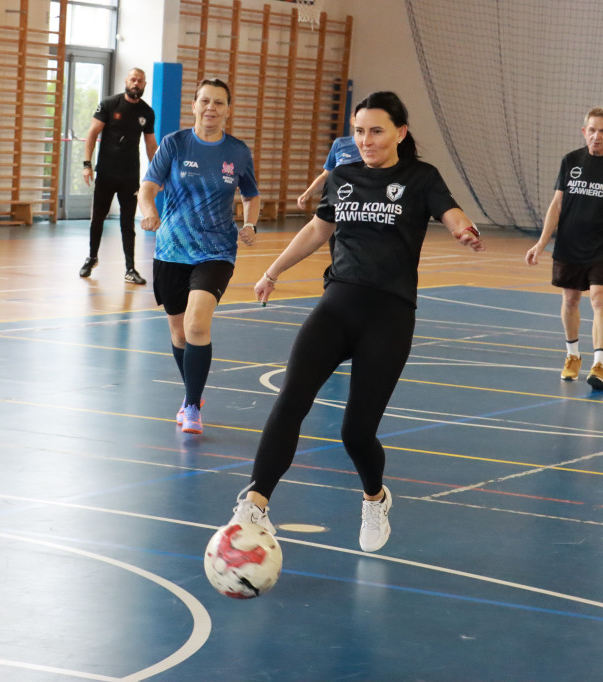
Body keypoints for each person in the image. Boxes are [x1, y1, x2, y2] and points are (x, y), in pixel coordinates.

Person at [226, 91, 485, 553]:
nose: (365, 140)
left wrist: (463, 229)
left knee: (355, 432)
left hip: (389, 316)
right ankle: (256, 502)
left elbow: (448, 209)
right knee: (291, 399)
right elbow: (316, 230)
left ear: (401, 133)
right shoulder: (342, 177)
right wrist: (272, 271)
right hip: (337, 306)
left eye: (376, 130)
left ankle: (375, 497)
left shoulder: (420, 177)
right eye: (359, 130)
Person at [139, 78, 260, 435]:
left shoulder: (237, 152)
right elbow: (147, 187)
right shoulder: (174, 144)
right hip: (172, 250)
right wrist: (148, 210)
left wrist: (250, 224)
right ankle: (192, 391)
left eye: (219, 103)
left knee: (196, 325)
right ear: (193, 105)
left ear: (227, 109)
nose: (211, 108)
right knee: (179, 334)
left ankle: (192, 405)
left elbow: (250, 195)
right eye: (205, 101)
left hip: (217, 250)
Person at [525, 107, 603, 391]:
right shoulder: (571, 161)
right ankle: (572, 356)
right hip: (569, 244)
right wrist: (541, 242)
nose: (597, 136)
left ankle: (599, 364)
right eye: (591, 130)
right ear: (584, 132)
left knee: (600, 299)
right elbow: (557, 204)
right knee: (570, 301)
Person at [79, 68, 158, 285]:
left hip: (129, 176)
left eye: (140, 81)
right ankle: (92, 257)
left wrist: (158, 174)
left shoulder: (147, 112)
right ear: (126, 81)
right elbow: (92, 134)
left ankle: (130, 269)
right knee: (98, 218)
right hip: (105, 173)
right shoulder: (109, 104)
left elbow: (151, 145)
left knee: (127, 223)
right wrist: (87, 164)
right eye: (133, 79)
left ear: (144, 85)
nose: (136, 83)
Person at [296, 134, 360, 211]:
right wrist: (307, 194)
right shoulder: (340, 143)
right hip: (338, 203)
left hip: (362, 205)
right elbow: (325, 176)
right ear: (353, 122)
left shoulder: (375, 148)